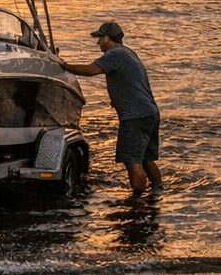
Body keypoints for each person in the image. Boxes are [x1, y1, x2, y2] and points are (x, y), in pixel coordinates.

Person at [58, 20, 161, 193]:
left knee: (131, 161)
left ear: (106, 37)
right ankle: (157, 191)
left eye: (99, 38)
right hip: (150, 113)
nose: (98, 43)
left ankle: (137, 202)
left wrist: (64, 66)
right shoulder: (129, 53)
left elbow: (90, 70)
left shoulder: (114, 54)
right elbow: (131, 80)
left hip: (134, 117)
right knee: (146, 158)